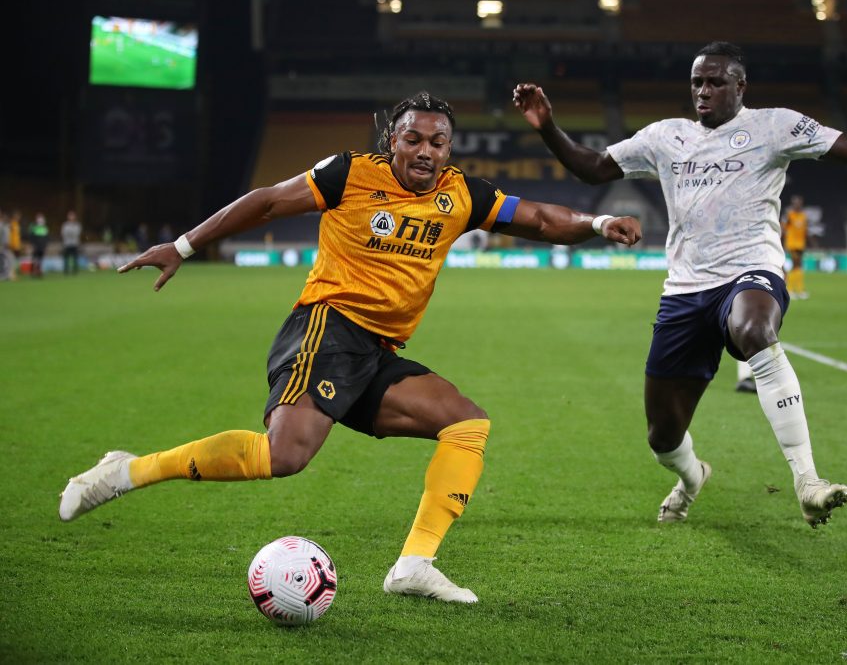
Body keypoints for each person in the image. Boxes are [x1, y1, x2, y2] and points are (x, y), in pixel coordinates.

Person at [58, 92, 641, 603]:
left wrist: (597, 221)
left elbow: (538, 218)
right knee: (284, 456)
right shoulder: (349, 174)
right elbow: (265, 201)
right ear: (393, 140)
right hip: (326, 328)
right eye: (413, 138)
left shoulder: (462, 195)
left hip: (377, 353)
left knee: (467, 424)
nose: (425, 151)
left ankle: (414, 566)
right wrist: (183, 246)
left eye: (438, 142)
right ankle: (125, 472)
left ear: (449, 150)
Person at [513, 41, 847, 528]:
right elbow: (591, 168)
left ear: (740, 86)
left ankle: (807, 481)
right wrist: (548, 128)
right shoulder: (666, 135)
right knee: (662, 436)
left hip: (751, 268)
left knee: (753, 329)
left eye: (715, 82)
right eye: (697, 83)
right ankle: (690, 478)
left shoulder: (775, 126)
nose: (703, 91)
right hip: (685, 289)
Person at [781, 195, 809, 299]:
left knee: (798, 266)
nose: (797, 205)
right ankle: (791, 289)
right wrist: (782, 243)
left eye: (799, 203)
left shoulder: (803, 216)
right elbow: (783, 229)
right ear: (793, 204)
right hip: (792, 244)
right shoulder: (789, 215)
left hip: (801, 244)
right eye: (795, 203)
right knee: (795, 265)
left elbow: (805, 230)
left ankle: (799, 289)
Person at [61, 210, 83, 275]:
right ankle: (66, 271)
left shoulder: (77, 225)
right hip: (67, 244)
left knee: (75, 258)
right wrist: (71, 233)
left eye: (72, 216)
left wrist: (70, 233)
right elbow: (64, 233)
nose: (71, 217)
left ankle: (75, 270)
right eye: (70, 216)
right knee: (66, 258)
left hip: (75, 244)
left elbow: (77, 233)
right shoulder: (65, 225)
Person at [28, 212, 49, 278]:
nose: (40, 219)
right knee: (34, 259)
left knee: (40, 260)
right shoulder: (33, 227)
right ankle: (32, 272)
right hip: (36, 246)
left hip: (42, 247)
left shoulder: (45, 227)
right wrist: (32, 245)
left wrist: (45, 246)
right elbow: (31, 237)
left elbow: (47, 238)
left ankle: (39, 272)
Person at [7, 210, 21, 280]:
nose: (18, 217)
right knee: (11, 260)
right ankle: (10, 275)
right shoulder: (11, 224)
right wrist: (9, 243)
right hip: (11, 245)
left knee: (15, 260)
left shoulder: (16, 224)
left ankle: (12, 274)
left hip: (16, 245)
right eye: (17, 216)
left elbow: (17, 236)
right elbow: (9, 235)